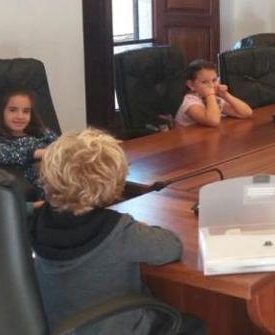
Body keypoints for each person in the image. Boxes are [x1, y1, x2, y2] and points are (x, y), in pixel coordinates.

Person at [30, 129, 206, 335]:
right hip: (121, 329)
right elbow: (171, 248)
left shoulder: (38, 222)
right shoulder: (117, 230)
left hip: (64, 329)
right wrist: (140, 227)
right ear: (112, 182)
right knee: (193, 324)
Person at [0, 87, 59, 198]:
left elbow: (60, 144)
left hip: (61, 171)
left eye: (26, 111)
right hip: (43, 188)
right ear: (0, 112)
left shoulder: (41, 132)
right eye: (12, 110)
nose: (20, 116)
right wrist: (38, 153)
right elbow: (3, 155)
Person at [174, 60, 253, 128]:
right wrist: (210, 95)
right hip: (189, 142)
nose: (212, 85)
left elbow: (247, 113)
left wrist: (226, 95)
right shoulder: (189, 102)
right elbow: (213, 121)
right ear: (191, 85)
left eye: (214, 80)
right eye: (204, 82)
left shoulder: (214, 98)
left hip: (208, 137)